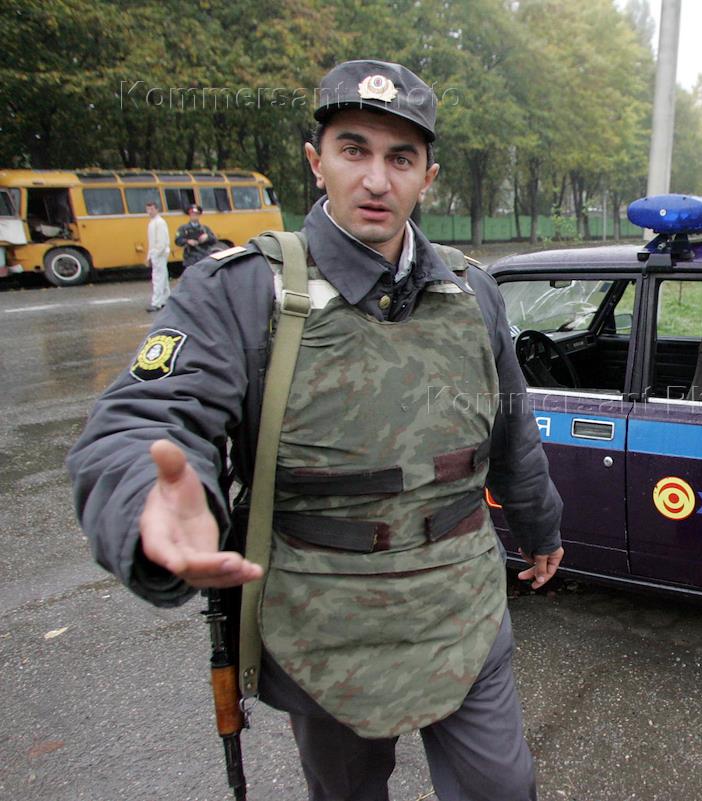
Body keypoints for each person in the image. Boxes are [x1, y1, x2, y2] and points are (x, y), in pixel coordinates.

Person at [67, 59, 564, 801]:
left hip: (462, 602)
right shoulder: (243, 290)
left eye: (400, 158)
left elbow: (511, 425)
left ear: (428, 177)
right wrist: (148, 501)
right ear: (316, 161)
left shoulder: (472, 290)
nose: (376, 179)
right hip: (324, 624)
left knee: (503, 786)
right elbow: (143, 418)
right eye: (353, 150)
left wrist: (539, 525)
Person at [174, 203, 220, 267]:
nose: (194, 216)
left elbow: (214, 240)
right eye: (192, 214)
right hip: (190, 258)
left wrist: (207, 237)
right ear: (189, 215)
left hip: (204, 257)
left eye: (196, 214)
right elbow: (178, 240)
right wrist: (187, 241)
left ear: (199, 215)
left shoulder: (205, 228)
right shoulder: (183, 228)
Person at [144, 201, 171, 311]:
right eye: (148, 209)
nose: (149, 212)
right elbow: (152, 242)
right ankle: (165, 299)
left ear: (157, 209)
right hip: (156, 254)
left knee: (158, 278)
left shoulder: (159, 222)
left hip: (159, 254)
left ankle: (156, 302)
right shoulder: (153, 222)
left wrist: (155, 254)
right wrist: (149, 256)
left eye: (152, 209)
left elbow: (162, 242)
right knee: (162, 277)